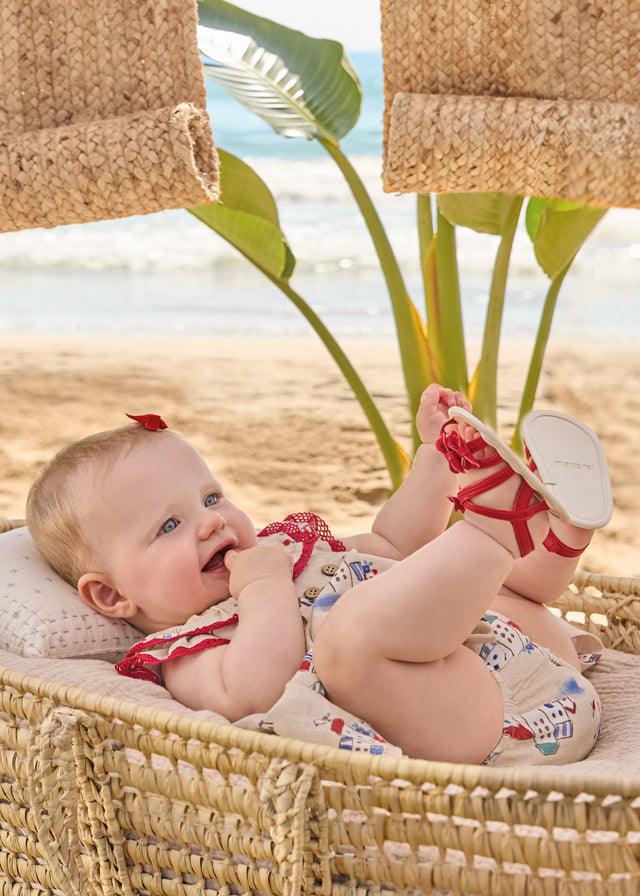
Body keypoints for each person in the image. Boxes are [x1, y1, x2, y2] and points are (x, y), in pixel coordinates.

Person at [25, 387, 608, 765]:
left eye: (211, 497)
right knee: (351, 640)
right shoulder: (186, 650)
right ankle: (497, 528)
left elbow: (394, 543)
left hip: (536, 669)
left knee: (458, 584)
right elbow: (256, 690)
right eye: (170, 524)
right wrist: (263, 590)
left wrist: (434, 462)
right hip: (480, 732)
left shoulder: (285, 549)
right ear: (111, 594)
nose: (210, 523)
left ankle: (557, 537)